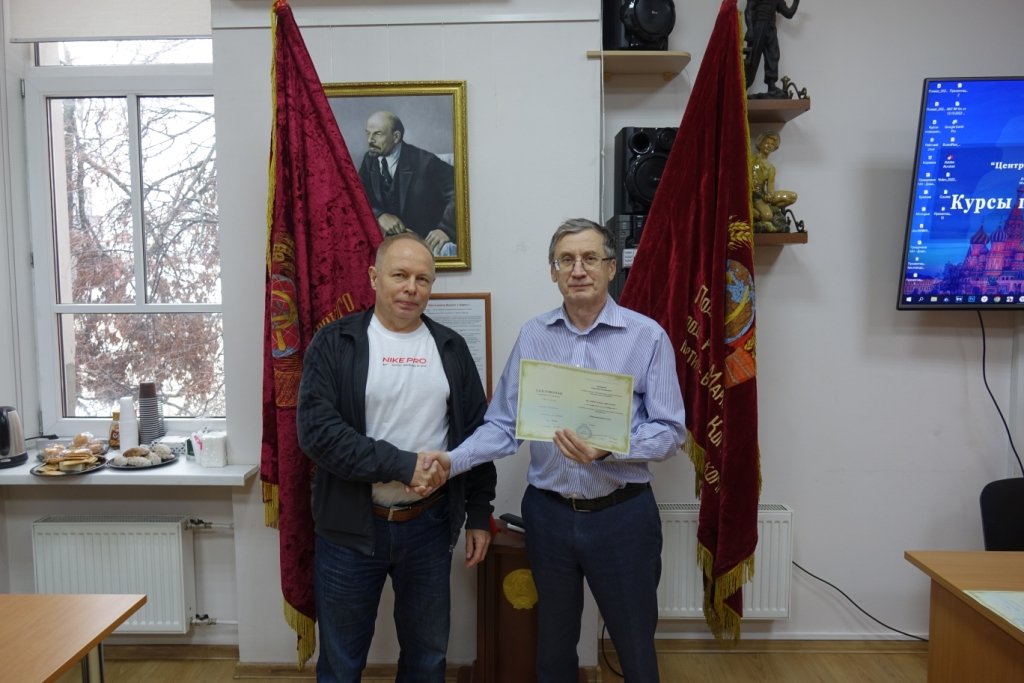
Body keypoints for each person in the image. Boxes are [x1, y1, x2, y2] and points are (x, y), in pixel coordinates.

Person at [420, 219, 686, 682]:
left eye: (589, 258)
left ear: (610, 268)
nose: (578, 270)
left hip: (622, 517)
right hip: (549, 516)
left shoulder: (646, 337)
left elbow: (671, 431)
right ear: (553, 272)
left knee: (634, 643)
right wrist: (452, 460)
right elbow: (504, 425)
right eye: (566, 260)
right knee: (553, 643)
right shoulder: (533, 336)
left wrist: (611, 449)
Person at [296, 232, 497, 682]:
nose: (411, 288)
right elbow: (318, 433)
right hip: (350, 528)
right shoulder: (335, 343)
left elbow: (477, 436)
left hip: (428, 526)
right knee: (341, 664)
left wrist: (480, 513)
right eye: (400, 275)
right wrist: (403, 465)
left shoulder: (450, 348)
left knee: (427, 659)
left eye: (423, 279)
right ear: (374, 277)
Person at [358, 110, 458, 257]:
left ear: (396, 137)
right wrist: (379, 215)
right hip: (391, 246)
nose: (370, 140)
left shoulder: (426, 162)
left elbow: (460, 190)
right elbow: (357, 195)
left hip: (422, 245)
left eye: (377, 134)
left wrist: (445, 229)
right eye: (368, 133)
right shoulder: (370, 159)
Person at [743, 0, 800, 98]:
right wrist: (750, 29)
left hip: (771, 28)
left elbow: (789, 13)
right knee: (752, 58)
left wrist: (796, 1)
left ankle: (771, 86)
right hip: (758, 27)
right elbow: (748, 10)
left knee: (773, 55)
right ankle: (742, 87)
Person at [750, 130, 797, 233]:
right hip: (755, 196)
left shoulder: (771, 168)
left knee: (792, 196)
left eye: (772, 144)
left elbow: (770, 186)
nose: (769, 146)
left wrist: (770, 195)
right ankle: (754, 211)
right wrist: (761, 195)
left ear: (775, 148)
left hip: (763, 196)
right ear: (760, 143)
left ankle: (767, 209)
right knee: (767, 216)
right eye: (767, 143)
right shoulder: (751, 160)